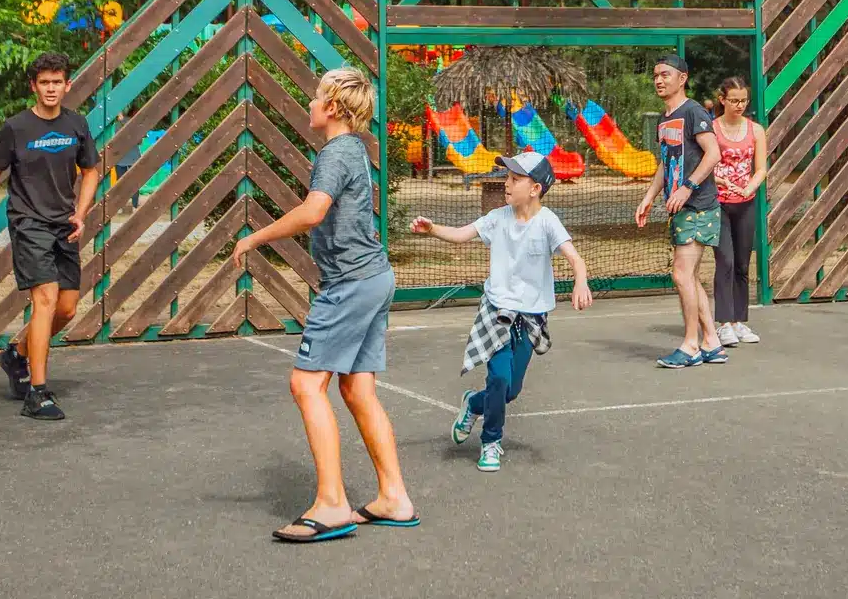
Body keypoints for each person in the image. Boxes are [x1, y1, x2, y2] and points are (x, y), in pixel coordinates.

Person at [231, 67, 416, 541]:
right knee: (357, 390)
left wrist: (254, 238)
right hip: (375, 278)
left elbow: (313, 213)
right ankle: (394, 497)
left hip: (351, 284)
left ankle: (331, 504)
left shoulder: (336, 152)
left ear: (332, 108)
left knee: (305, 385)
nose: (310, 104)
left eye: (315, 98)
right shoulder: (355, 150)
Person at [414, 149, 593, 472]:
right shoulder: (497, 218)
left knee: (510, 390)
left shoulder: (547, 222)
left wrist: (581, 281)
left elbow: (575, 258)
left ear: (535, 188)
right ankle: (491, 440)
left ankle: (473, 403)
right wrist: (433, 229)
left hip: (531, 317)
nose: (507, 184)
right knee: (498, 377)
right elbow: (461, 234)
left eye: (515, 179)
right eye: (507, 178)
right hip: (496, 311)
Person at [0, 52, 103, 421]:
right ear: (34, 86)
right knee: (45, 299)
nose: (51, 89)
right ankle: (38, 392)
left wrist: (80, 212)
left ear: (67, 85)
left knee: (66, 309)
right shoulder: (16, 128)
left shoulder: (76, 124)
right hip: (28, 223)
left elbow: (91, 170)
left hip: (64, 224)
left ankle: (16, 353)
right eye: (43, 82)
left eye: (57, 82)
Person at [634, 52, 725, 368]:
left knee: (681, 274)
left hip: (698, 207)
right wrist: (649, 196)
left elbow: (713, 154)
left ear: (682, 78)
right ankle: (712, 341)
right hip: (680, 208)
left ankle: (691, 346)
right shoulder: (664, 119)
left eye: (665, 74)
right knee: (690, 277)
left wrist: (688, 186)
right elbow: (665, 161)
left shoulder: (693, 111)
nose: (659, 80)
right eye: (656, 75)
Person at [709, 75, 768, 346]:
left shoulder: (756, 130)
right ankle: (723, 323)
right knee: (726, 261)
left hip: (745, 203)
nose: (739, 105)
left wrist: (750, 187)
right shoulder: (711, 129)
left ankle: (739, 321)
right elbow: (704, 165)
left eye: (743, 100)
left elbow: (761, 168)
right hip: (718, 203)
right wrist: (716, 178)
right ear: (722, 100)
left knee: (743, 264)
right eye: (734, 100)